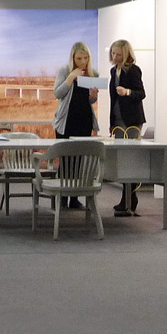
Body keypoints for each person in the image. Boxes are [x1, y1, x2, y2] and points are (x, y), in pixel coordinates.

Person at [51, 42, 99, 209]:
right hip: (66, 121)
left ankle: (74, 198)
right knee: (65, 159)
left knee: (79, 160)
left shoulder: (93, 74)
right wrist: (71, 78)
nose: (82, 62)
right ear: (73, 58)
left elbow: (92, 100)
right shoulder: (65, 70)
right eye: (79, 58)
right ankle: (62, 197)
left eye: (85, 58)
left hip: (84, 120)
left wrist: (93, 96)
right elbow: (58, 93)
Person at [108, 39, 146, 217]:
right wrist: (111, 122)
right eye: (113, 53)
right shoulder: (113, 71)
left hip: (131, 120)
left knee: (130, 160)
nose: (115, 56)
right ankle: (127, 199)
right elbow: (112, 99)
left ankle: (130, 199)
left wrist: (127, 92)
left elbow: (141, 93)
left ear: (126, 54)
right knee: (121, 161)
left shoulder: (133, 70)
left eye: (119, 54)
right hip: (118, 120)